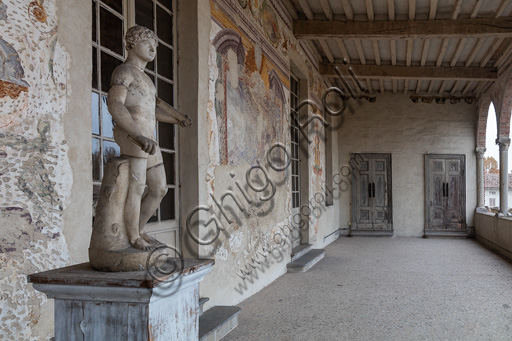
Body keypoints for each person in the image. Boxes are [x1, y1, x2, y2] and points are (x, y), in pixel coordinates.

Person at [107, 26, 191, 250]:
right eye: (147, 43)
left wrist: (177, 119)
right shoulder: (124, 71)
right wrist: (136, 134)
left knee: (159, 188)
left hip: (147, 136)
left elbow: (152, 109)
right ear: (132, 44)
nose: (153, 48)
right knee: (137, 187)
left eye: (155, 44)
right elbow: (115, 104)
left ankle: (139, 229)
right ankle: (133, 237)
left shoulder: (146, 79)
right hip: (133, 133)